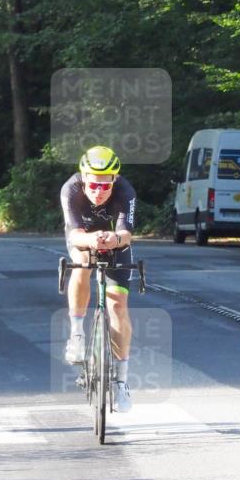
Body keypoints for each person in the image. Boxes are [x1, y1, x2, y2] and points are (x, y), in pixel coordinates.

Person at [60, 145, 136, 413]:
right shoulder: (70, 189)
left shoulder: (125, 192)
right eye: (93, 185)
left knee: (117, 305)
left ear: (115, 179)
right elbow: (74, 234)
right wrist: (92, 240)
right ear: (83, 178)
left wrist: (114, 239)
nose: (99, 191)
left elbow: (127, 234)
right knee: (81, 264)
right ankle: (77, 334)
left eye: (106, 186)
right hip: (84, 238)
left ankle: (120, 382)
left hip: (115, 242)